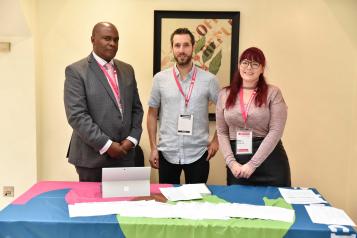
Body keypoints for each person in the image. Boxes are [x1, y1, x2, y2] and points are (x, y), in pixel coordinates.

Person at [64, 22, 144, 182]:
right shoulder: (76, 71)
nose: (112, 43)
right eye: (107, 38)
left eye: (116, 39)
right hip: (92, 159)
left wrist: (132, 139)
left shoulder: (127, 70)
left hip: (125, 155)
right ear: (93, 39)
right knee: (94, 207)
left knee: (126, 205)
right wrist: (107, 145)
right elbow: (77, 116)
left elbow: (137, 109)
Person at [147, 28, 220, 184]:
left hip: (198, 153)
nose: (181, 50)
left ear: (193, 47)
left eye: (186, 45)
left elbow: (225, 113)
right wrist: (153, 147)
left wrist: (216, 141)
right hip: (167, 153)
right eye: (177, 45)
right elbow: (152, 113)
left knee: (196, 204)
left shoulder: (209, 80)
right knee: (167, 203)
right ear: (172, 48)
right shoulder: (160, 79)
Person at [216, 47, 291, 187]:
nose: (249, 67)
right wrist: (231, 163)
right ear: (239, 66)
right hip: (238, 165)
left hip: (270, 162)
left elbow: (276, 131)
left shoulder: (273, 93)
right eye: (245, 62)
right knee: (239, 206)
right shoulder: (224, 94)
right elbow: (221, 131)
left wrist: (252, 164)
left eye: (255, 64)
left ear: (262, 69)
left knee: (275, 207)